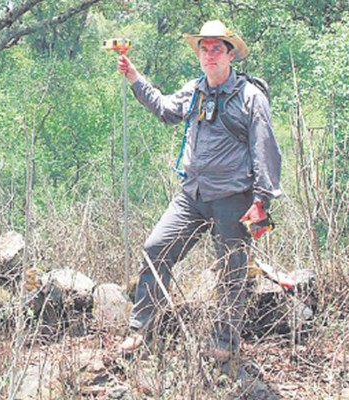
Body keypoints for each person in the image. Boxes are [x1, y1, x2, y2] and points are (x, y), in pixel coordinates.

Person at [116, 20, 282, 362]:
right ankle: (140, 329)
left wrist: (262, 201)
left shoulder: (250, 98)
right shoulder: (194, 91)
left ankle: (225, 343)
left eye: (216, 48)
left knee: (232, 270)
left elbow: (265, 149)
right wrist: (134, 77)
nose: (209, 55)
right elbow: (164, 109)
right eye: (204, 49)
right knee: (155, 250)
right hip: (192, 196)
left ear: (230, 54)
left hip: (234, 200)